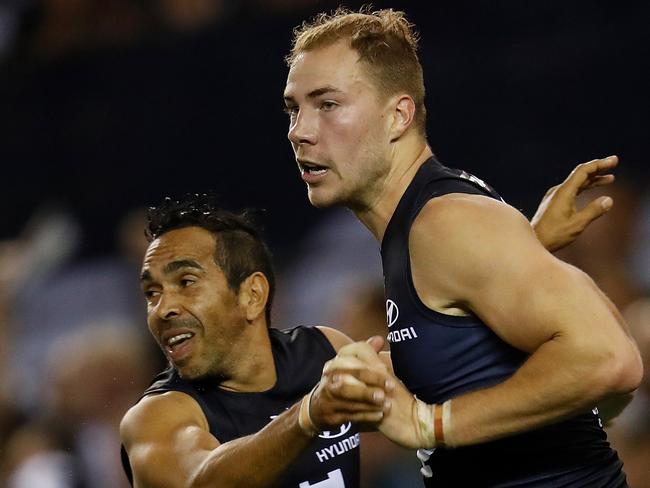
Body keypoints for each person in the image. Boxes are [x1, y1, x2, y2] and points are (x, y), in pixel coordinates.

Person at [283, 7, 643, 486]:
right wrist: (529, 245)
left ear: (398, 115)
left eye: (327, 104)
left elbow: (610, 360)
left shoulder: (446, 223)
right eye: (293, 108)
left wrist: (430, 423)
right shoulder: (424, 226)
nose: (299, 131)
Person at [119, 175, 610, 488]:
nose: (163, 308)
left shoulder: (323, 352)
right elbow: (202, 482)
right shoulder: (157, 418)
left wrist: (526, 248)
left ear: (252, 295)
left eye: (185, 282)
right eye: (151, 293)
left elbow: (442, 364)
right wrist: (309, 415)